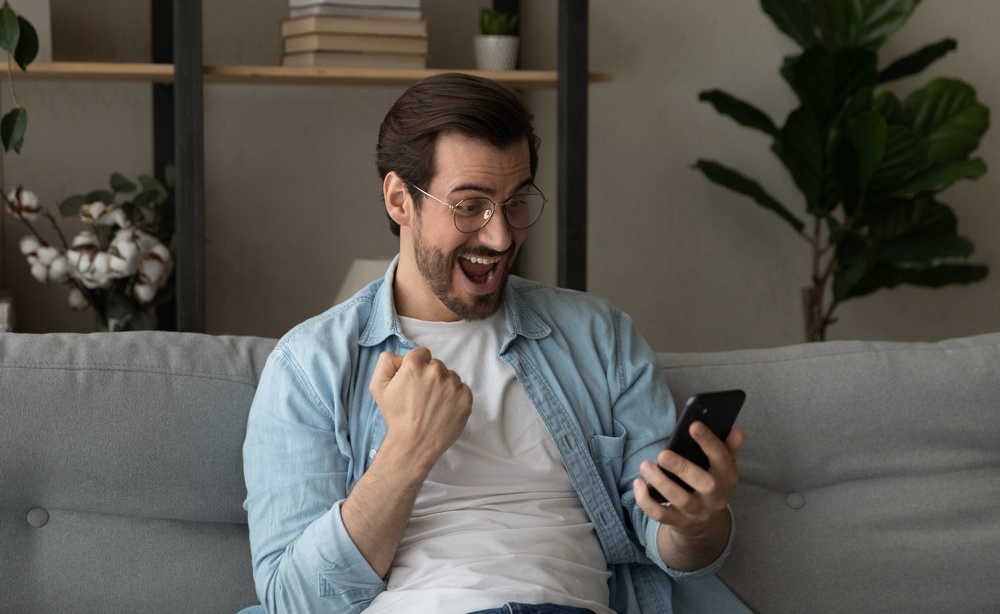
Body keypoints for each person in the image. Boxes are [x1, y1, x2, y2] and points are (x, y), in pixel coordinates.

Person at [242, 73, 748, 614]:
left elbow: (668, 541)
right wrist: (406, 453)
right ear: (398, 200)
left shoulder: (600, 337)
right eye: (469, 206)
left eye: (515, 203)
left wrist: (698, 521)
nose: (501, 236)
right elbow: (292, 601)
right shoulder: (310, 367)